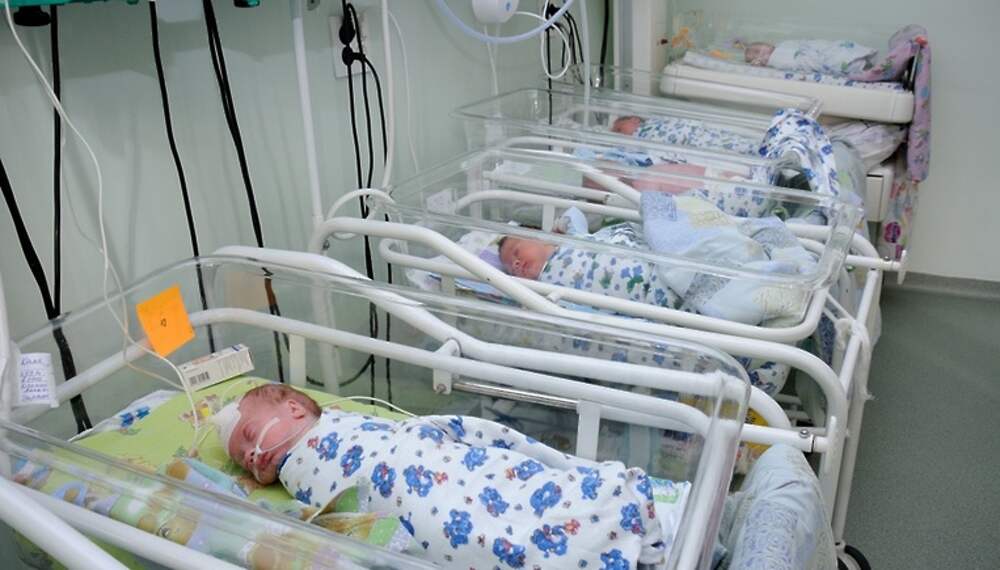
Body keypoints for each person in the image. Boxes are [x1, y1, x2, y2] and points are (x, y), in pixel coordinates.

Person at [213, 384, 676, 569]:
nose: (251, 456)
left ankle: (608, 514)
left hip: (429, 467)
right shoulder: (294, 480)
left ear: (295, 408)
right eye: (242, 459)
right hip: (409, 509)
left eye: (250, 435)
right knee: (476, 536)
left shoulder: (341, 424)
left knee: (510, 487)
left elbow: (409, 438)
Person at [742, 39, 876, 76]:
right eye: (755, 56)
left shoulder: (784, 44)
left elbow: (804, 44)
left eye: (758, 50)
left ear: (768, 44)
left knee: (834, 49)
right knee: (831, 61)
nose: (760, 54)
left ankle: (856, 57)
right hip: (808, 59)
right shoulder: (775, 61)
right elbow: (791, 63)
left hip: (815, 51)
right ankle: (859, 65)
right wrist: (764, 63)